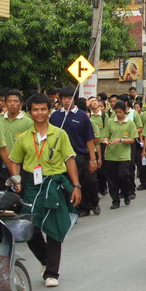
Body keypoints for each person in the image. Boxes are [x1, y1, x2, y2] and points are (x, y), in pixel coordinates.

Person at [8, 93, 81, 287]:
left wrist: (76, 186)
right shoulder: (23, 138)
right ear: (29, 112)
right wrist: (16, 180)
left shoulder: (60, 134)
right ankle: (46, 260)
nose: (39, 113)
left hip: (54, 184)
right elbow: (14, 161)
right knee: (30, 228)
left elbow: (70, 160)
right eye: (35, 109)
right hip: (32, 185)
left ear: (49, 111)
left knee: (54, 228)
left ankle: (52, 273)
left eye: (43, 109)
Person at [50, 86, 99, 217]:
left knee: (88, 182)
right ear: (60, 99)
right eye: (64, 98)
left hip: (80, 155)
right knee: (70, 183)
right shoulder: (55, 116)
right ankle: (80, 207)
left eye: (70, 98)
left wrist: (93, 159)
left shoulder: (82, 116)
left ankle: (94, 202)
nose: (67, 101)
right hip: (62, 157)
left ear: (75, 99)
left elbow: (89, 139)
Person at [101, 102, 137, 209]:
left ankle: (126, 194)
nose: (118, 114)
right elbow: (105, 135)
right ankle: (115, 200)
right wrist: (106, 141)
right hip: (111, 155)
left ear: (124, 111)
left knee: (123, 176)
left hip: (124, 155)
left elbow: (133, 139)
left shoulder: (130, 123)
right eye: (116, 112)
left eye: (120, 112)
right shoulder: (110, 122)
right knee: (112, 179)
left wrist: (121, 140)